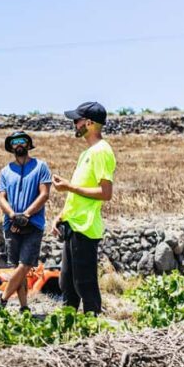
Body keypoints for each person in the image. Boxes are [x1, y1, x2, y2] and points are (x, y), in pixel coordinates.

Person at [51, 102, 116, 315]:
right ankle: (69, 332)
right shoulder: (86, 153)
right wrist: (60, 216)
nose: (74, 124)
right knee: (67, 285)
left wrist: (68, 185)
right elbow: (78, 193)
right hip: (73, 225)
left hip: (86, 228)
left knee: (84, 284)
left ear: (89, 123)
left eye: (77, 120)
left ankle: (94, 330)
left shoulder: (101, 151)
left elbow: (105, 193)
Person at [0, 131, 52, 312]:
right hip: (11, 224)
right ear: (10, 146)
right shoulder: (5, 171)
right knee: (17, 268)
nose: (19, 144)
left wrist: (26, 215)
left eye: (22, 141)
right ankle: (24, 307)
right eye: (15, 142)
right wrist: (13, 216)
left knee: (25, 264)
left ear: (28, 144)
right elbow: (1, 198)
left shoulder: (40, 167)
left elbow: (44, 194)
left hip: (34, 224)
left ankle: (3, 299)